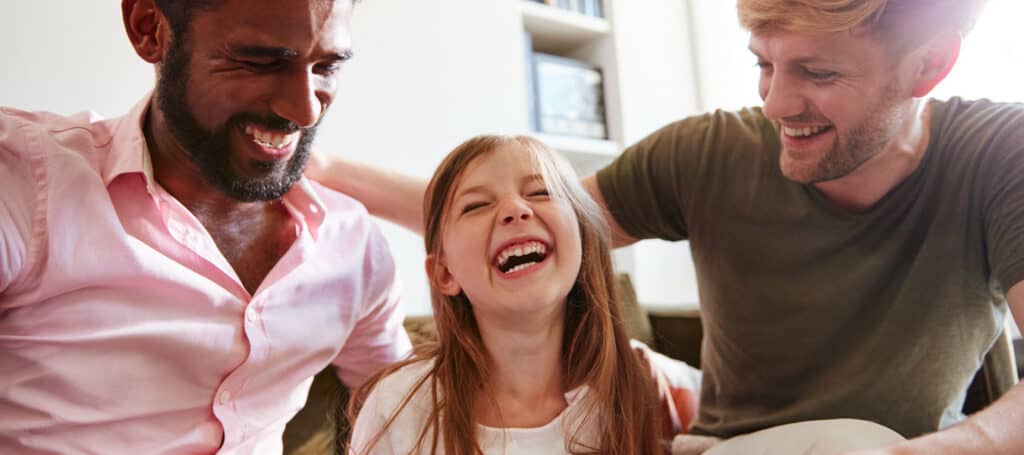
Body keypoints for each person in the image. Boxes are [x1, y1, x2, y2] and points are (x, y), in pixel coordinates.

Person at [310, 0, 1024, 453]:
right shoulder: (709, 151)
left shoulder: (999, 157)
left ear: (928, 65)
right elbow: (528, 214)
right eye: (763, 64)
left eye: (817, 72)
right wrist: (322, 167)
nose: (777, 101)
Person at [0, 0, 412, 453]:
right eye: (260, 61)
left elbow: (408, 420)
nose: (306, 109)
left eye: (327, 67)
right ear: (149, 29)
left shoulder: (352, 248)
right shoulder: (24, 184)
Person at [346, 135, 701, 454]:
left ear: (583, 239)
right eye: (476, 205)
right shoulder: (397, 408)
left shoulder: (649, 383)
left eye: (540, 192)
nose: (516, 209)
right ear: (444, 272)